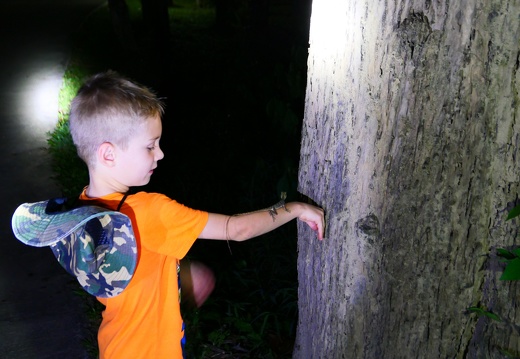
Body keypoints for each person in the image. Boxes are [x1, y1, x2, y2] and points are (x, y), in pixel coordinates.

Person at [67, 71, 325, 358]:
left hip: (116, 346)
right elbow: (235, 229)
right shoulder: (149, 211)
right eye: (150, 146)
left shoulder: (84, 209)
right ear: (109, 154)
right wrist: (295, 208)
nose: (160, 154)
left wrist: (181, 272)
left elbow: (134, 264)